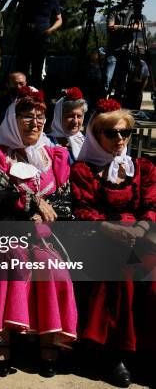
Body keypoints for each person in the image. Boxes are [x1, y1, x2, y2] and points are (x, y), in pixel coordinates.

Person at [0, 87, 77, 378]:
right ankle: (0, 339)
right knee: (15, 258)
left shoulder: (55, 157)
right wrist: (30, 206)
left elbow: (65, 200)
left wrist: (42, 216)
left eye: (39, 117)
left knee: (53, 266)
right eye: (27, 117)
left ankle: (49, 342)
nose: (34, 123)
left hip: (46, 237)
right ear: (12, 119)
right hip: (6, 233)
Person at [71, 99, 155, 388]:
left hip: (140, 235)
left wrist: (142, 227)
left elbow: (151, 203)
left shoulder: (142, 167)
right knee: (121, 274)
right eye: (111, 133)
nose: (120, 138)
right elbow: (82, 209)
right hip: (101, 236)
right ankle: (114, 353)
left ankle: (147, 352)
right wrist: (111, 229)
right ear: (96, 135)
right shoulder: (84, 170)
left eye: (125, 132)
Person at [16, 0, 63, 87]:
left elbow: (59, 20)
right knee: (22, 69)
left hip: (42, 39)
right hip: (26, 38)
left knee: (37, 69)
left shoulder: (52, 0)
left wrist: (50, 30)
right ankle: (20, 94)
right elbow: (18, 14)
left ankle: (37, 95)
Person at [46, 87, 87, 163]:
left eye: (79, 116)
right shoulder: (46, 143)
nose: (75, 121)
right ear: (58, 116)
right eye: (70, 116)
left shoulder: (84, 141)